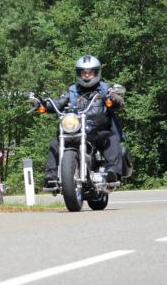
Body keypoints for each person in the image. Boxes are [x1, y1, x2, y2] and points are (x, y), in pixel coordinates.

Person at [42, 55, 125, 188]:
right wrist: (45, 104)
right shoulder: (72, 91)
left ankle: (112, 171)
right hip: (77, 130)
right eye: (83, 72)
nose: (86, 75)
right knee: (56, 142)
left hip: (98, 131)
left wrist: (114, 98)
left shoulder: (105, 89)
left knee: (111, 138)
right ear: (79, 73)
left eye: (90, 72)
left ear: (96, 73)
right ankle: (51, 176)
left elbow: (119, 103)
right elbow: (59, 102)